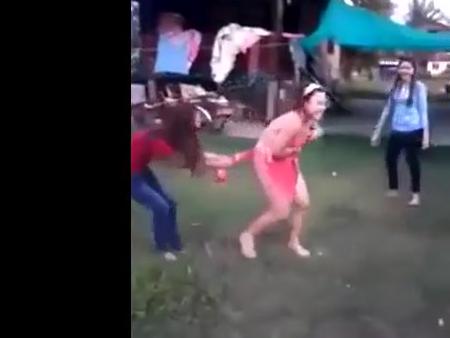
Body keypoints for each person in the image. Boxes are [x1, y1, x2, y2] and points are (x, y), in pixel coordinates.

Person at [223, 83, 328, 259]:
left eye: (324, 103)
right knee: (281, 210)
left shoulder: (309, 119)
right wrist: (298, 147)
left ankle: (293, 242)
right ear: (305, 102)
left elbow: (308, 134)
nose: (322, 108)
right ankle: (247, 235)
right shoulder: (293, 122)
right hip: (267, 160)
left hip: (286, 158)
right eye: (318, 103)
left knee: (303, 202)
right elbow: (275, 151)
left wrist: (311, 134)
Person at [131, 103, 232, 260]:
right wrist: (219, 164)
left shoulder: (171, 136)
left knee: (170, 205)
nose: (199, 121)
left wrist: (221, 161)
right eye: (195, 117)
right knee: (161, 207)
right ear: (184, 121)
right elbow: (184, 162)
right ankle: (161, 248)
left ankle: (175, 244)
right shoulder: (160, 142)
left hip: (138, 169)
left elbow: (195, 155)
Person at [370, 58, 430, 206]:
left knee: (412, 162)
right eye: (402, 67)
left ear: (413, 71)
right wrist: (377, 130)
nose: (404, 71)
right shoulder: (395, 87)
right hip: (396, 130)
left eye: (408, 68)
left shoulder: (419, 87)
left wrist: (426, 136)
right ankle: (393, 188)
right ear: (398, 70)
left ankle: (415, 194)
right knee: (390, 159)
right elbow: (387, 109)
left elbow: (423, 112)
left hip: (413, 131)